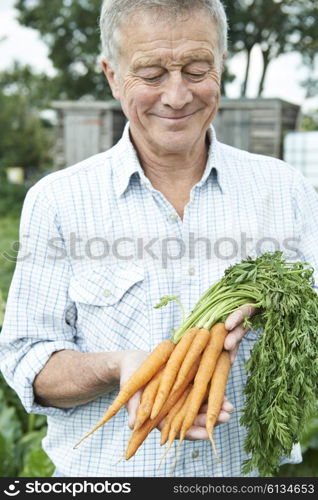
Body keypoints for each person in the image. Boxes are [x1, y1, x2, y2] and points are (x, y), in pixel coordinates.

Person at [0, 0, 317, 478]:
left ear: (221, 66)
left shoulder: (284, 189)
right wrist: (118, 367)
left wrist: (277, 308)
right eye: (150, 74)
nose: (176, 96)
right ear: (111, 75)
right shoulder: (58, 201)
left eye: (196, 69)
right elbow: (28, 360)